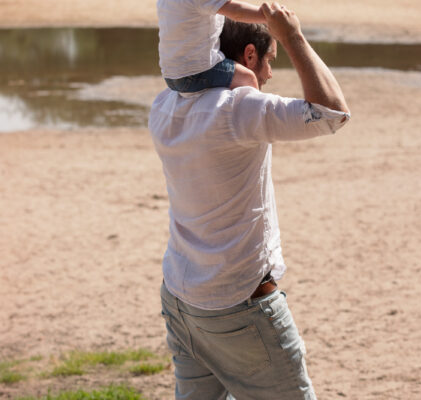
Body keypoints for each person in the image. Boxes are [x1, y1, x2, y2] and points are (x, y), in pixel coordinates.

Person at [149, 3, 351, 399]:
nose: (272, 74)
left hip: (181, 298)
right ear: (250, 56)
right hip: (240, 306)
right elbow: (332, 113)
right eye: (270, 61)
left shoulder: (164, 106)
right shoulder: (240, 111)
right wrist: (292, 35)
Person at [157, 0, 266, 92]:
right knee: (248, 78)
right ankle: (253, 116)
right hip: (196, 73)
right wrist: (269, 17)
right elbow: (237, 12)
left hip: (169, 76)